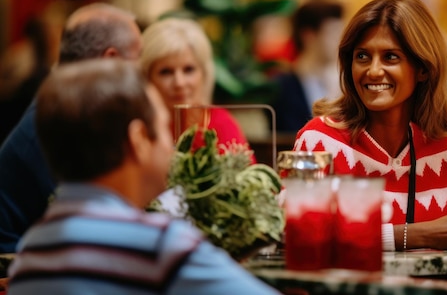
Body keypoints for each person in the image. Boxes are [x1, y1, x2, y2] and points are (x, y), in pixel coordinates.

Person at [7, 60, 278, 294]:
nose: (171, 147)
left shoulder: (32, 251)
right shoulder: (160, 247)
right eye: (163, 128)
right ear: (139, 140)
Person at [293, 0, 447, 251]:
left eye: (390, 57)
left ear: (423, 69)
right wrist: (413, 235)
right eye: (362, 56)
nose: (373, 70)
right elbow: (293, 231)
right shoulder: (316, 139)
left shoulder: (443, 150)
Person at [0, 2, 143, 253]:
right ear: (111, 60)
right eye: (138, 58)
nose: (143, 72)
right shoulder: (56, 124)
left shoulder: (67, 106)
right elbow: (92, 224)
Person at [140, 17, 250, 151]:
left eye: (188, 70)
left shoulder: (221, 124)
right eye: (166, 72)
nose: (179, 83)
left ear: (204, 73)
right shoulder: (138, 129)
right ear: (146, 78)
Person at [271, 0, 345, 133]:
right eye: (333, 34)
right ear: (309, 36)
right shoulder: (281, 88)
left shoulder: (346, 84)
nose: (340, 42)